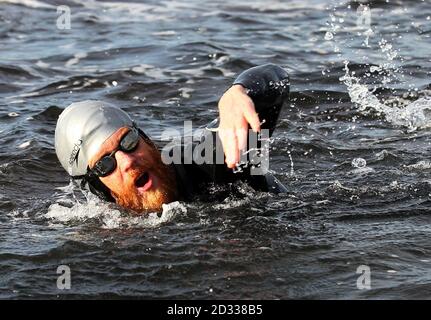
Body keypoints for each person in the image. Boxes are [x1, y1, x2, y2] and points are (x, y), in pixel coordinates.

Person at [55, 64, 290, 214]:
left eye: (128, 141)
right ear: (97, 188)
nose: (127, 161)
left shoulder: (209, 163)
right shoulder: (100, 225)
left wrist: (238, 92)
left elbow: (277, 77)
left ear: (147, 141)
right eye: (105, 164)